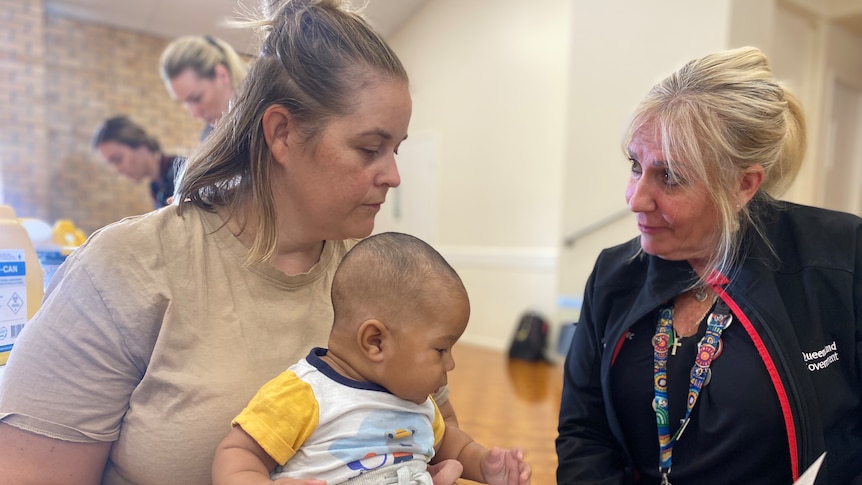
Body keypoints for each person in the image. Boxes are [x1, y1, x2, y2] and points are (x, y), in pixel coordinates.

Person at [0, 1, 463, 483]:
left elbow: (428, 435)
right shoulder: (123, 270)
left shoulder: (380, 277)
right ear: (281, 132)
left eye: (396, 149)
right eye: (370, 149)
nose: (393, 175)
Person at [556, 46, 862, 485]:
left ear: (743, 184)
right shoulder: (613, 274)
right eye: (635, 166)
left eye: (670, 177)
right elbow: (584, 432)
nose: (636, 199)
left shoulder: (842, 258)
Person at [212, 232, 531, 485]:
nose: (450, 364)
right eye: (440, 350)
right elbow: (238, 453)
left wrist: (486, 466)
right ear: (375, 341)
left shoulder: (417, 402)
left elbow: (454, 446)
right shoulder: (304, 394)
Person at [159, 34, 249, 140]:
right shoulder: (208, 138)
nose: (194, 114)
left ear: (222, 75)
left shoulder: (263, 114)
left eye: (196, 98)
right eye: (185, 103)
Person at [91, 115, 184, 208]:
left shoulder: (182, 171)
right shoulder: (155, 186)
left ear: (141, 145)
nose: (118, 169)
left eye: (118, 159)